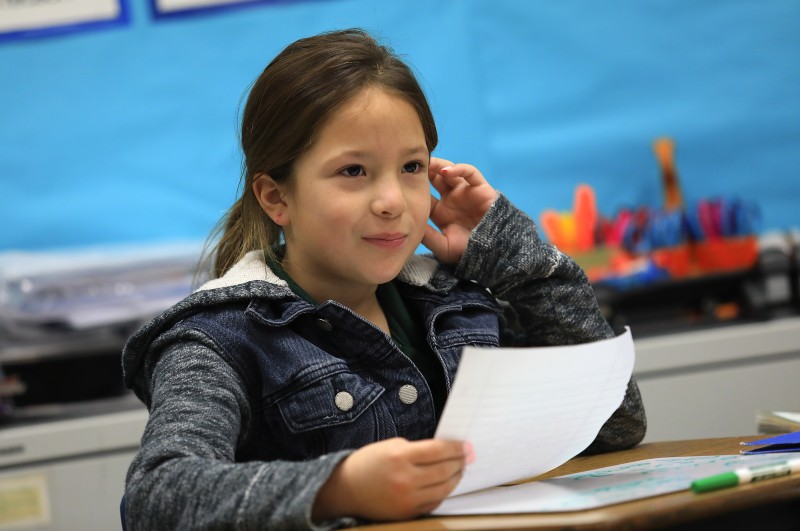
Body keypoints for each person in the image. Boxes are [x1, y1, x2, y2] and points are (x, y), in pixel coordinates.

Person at [121, 28, 646, 530]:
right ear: (277, 198)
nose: (393, 202)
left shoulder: (454, 304)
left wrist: (510, 254)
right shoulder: (220, 338)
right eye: (353, 171)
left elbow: (615, 424)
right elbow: (156, 498)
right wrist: (338, 488)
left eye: (412, 168)